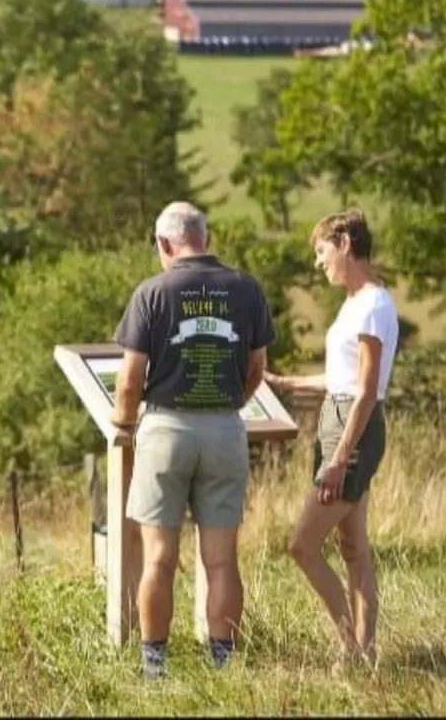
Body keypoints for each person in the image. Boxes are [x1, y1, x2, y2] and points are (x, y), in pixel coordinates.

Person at [110, 201, 274, 680]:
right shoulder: (246, 288)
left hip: (165, 430)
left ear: (164, 243)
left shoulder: (152, 293)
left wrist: (124, 424)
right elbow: (257, 368)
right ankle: (222, 664)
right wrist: (228, 406)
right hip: (225, 428)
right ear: (206, 236)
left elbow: (129, 380)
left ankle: (154, 667)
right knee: (222, 559)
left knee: (159, 558)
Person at [265, 209, 397, 671]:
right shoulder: (354, 302)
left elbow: (364, 391)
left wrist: (340, 458)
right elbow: (341, 379)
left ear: (344, 243)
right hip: (339, 419)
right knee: (353, 546)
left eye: (322, 252)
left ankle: (350, 648)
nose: (318, 264)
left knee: (302, 546)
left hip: (352, 429)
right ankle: (366, 650)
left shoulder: (373, 305)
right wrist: (286, 383)